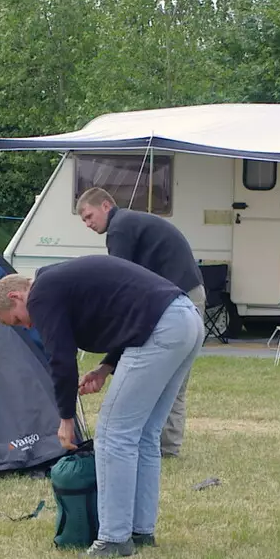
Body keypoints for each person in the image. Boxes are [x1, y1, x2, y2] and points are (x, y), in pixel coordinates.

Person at [0, 256, 203, 558]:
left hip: (163, 326)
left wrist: (66, 418)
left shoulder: (41, 294)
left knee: (114, 435)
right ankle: (141, 531)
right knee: (143, 434)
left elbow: (61, 360)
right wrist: (105, 367)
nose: (27, 326)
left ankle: (114, 538)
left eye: (17, 320)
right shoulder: (59, 282)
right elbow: (130, 312)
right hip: (186, 319)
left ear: (16, 296)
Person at [76, 187, 206, 457]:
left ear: (106, 206)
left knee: (166, 377)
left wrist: (105, 349)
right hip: (189, 294)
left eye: (89, 216)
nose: (88, 224)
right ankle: (165, 446)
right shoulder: (132, 222)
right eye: (84, 221)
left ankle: (157, 445)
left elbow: (118, 287)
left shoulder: (120, 228)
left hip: (179, 302)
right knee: (174, 379)